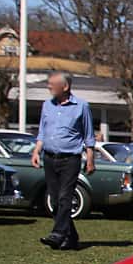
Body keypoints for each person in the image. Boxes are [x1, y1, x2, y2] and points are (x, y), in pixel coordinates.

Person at [33, 71, 97, 250]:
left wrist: (90, 159)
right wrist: (36, 151)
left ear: (65, 86)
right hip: (49, 157)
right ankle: (72, 237)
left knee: (64, 197)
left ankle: (58, 234)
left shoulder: (82, 106)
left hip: (70, 159)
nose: (49, 87)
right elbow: (42, 132)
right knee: (54, 200)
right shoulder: (47, 105)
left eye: (52, 84)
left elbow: (89, 135)